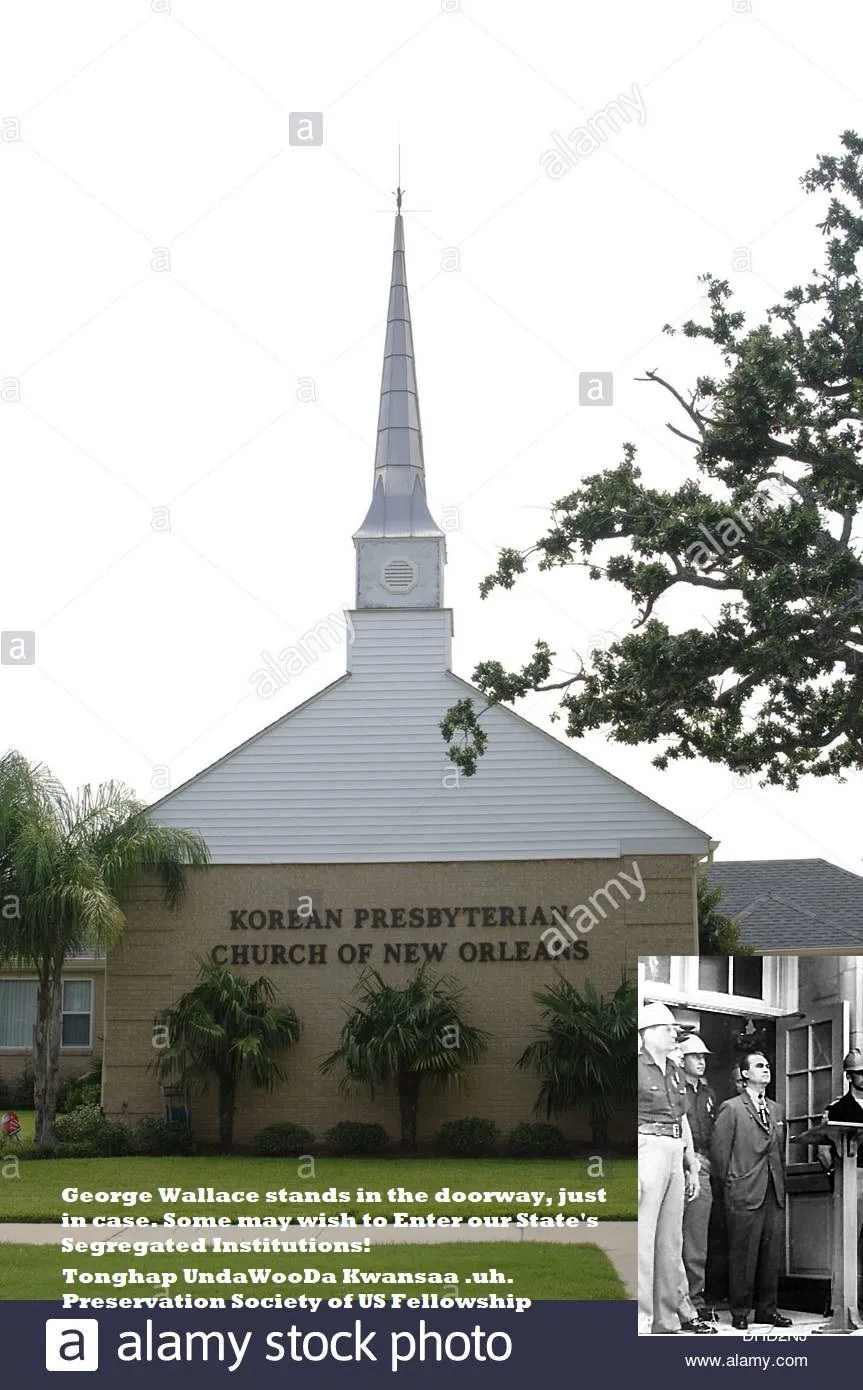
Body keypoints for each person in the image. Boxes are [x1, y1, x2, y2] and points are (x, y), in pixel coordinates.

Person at [638, 1002, 708, 1334]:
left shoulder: (676, 1071)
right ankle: (639, 1318)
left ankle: (666, 1320)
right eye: (669, 1029)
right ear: (649, 1032)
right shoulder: (634, 1067)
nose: (674, 1036)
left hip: (674, 1149)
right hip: (646, 1147)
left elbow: (683, 1120)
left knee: (670, 1240)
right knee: (642, 1238)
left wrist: (691, 1164)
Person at [710, 1051, 791, 1330]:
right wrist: (731, 1187)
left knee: (771, 1256)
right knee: (743, 1255)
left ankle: (767, 1311)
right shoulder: (731, 1108)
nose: (766, 1069)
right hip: (743, 1191)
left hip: (773, 1190)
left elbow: (780, 1153)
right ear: (744, 1074)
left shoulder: (777, 1109)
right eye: (759, 1066)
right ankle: (740, 1312)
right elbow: (720, 1156)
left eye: (768, 1065)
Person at [818, 1048, 863, 1315]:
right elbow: (823, 1149)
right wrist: (836, 1175)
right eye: (859, 1073)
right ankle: (840, 1305)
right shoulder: (837, 1108)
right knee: (847, 1242)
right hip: (851, 1174)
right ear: (849, 1076)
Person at [680, 1036, 716, 1314]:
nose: (701, 1061)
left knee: (696, 1238)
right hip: (676, 1161)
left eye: (703, 1057)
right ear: (682, 1059)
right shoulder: (676, 1089)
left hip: (702, 1166)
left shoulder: (708, 1094)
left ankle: (695, 1299)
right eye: (695, 1056)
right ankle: (675, 1300)